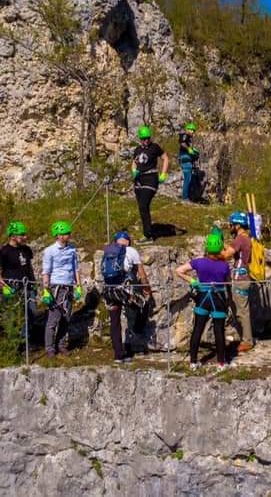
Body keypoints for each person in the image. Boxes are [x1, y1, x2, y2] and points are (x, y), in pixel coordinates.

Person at [176, 233, 231, 369]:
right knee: (219, 330)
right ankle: (221, 363)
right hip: (218, 298)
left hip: (202, 298)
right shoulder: (224, 266)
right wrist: (229, 300)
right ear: (220, 249)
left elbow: (179, 270)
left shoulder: (199, 262)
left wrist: (194, 281)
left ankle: (193, 362)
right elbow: (228, 283)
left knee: (197, 329)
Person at [101, 230, 151, 363]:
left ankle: (118, 355)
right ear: (128, 241)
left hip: (110, 289)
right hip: (125, 290)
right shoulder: (132, 251)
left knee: (115, 322)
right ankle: (129, 351)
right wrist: (146, 288)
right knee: (131, 317)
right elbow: (141, 273)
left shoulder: (108, 251)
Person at [41, 221, 83, 358]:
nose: (68, 235)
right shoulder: (50, 251)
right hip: (56, 287)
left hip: (69, 286)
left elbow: (76, 268)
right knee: (53, 319)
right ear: (58, 235)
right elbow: (46, 271)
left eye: (68, 233)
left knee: (66, 317)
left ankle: (60, 344)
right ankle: (49, 348)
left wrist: (78, 286)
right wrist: (46, 291)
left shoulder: (72, 249)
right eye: (65, 233)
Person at [0, 221, 39, 342]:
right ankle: (12, 343)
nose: (25, 237)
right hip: (11, 288)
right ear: (13, 236)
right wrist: (5, 286)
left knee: (33, 313)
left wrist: (34, 284)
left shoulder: (27, 250)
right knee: (10, 316)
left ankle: (25, 338)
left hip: (28, 287)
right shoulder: (3, 252)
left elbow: (29, 267)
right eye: (22, 234)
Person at [222, 211, 255, 352]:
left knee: (242, 311)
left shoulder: (240, 240)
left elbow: (225, 256)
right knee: (241, 309)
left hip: (239, 278)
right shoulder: (247, 238)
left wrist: (214, 247)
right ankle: (244, 337)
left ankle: (247, 341)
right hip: (245, 277)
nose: (230, 227)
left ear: (237, 225)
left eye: (231, 224)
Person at [131, 126, 169, 242]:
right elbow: (134, 162)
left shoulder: (154, 147)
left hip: (151, 179)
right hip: (139, 180)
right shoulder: (137, 149)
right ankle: (147, 233)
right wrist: (133, 171)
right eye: (143, 138)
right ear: (140, 139)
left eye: (147, 138)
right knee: (143, 208)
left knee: (143, 204)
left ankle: (148, 235)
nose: (146, 140)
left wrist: (163, 173)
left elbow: (165, 158)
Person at [178, 122, 199, 201]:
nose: (193, 132)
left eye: (193, 130)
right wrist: (189, 149)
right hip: (185, 159)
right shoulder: (185, 135)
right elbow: (182, 143)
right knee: (187, 179)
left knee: (189, 179)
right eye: (191, 130)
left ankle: (187, 196)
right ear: (187, 129)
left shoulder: (188, 139)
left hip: (188, 160)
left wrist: (193, 151)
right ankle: (185, 197)